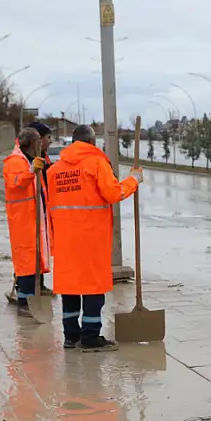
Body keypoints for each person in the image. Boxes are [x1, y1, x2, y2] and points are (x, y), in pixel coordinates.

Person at [45, 124, 142, 351]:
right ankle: (90, 337)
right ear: (91, 142)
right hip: (90, 238)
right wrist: (134, 180)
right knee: (92, 288)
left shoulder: (54, 170)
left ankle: (71, 336)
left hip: (64, 237)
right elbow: (113, 193)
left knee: (70, 287)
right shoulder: (96, 163)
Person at [2, 128, 51, 317]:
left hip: (33, 218)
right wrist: (31, 171)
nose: (42, 143)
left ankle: (29, 300)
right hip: (23, 219)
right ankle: (25, 303)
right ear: (32, 143)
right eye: (39, 140)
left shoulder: (30, 159)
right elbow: (17, 182)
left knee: (34, 261)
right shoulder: (15, 161)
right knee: (27, 262)